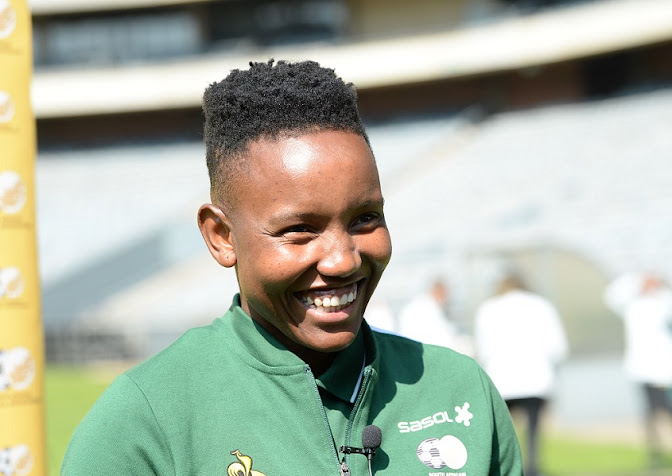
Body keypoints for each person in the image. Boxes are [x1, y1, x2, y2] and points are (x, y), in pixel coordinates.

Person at [62, 60, 523, 475]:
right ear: (222, 238)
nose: (344, 259)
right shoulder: (143, 422)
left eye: (365, 218)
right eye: (300, 229)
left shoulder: (460, 391)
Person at [474, 272, 568, 476]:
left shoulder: (488, 309)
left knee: (500, 432)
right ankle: (532, 469)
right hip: (536, 379)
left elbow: (481, 348)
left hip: (501, 379)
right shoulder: (542, 306)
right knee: (533, 430)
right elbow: (558, 346)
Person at [604, 271, 672, 466]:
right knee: (650, 411)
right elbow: (612, 296)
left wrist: (661, 288)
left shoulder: (664, 303)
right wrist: (637, 279)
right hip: (641, 368)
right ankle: (655, 451)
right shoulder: (632, 304)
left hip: (665, 369)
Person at [398, 279, 473, 355]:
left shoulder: (417, 305)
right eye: (446, 295)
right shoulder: (429, 308)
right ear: (439, 292)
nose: (446, 300)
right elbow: (443, 340)